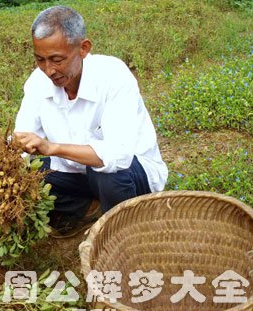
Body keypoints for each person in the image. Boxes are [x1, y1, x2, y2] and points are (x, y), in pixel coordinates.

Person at [13, 5, 168, 237]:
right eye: (40, 60)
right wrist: (6, 156)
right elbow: (22, 138)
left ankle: (124, 230)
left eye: (57, 60)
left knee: (106, 174)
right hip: (76, 172)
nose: (49, 70)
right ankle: (91, 208)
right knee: (29, 175)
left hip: (130, 173)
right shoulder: (38, 83)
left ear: (83, 48)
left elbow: (118, 157)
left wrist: (52, 147)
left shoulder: (113, 76)